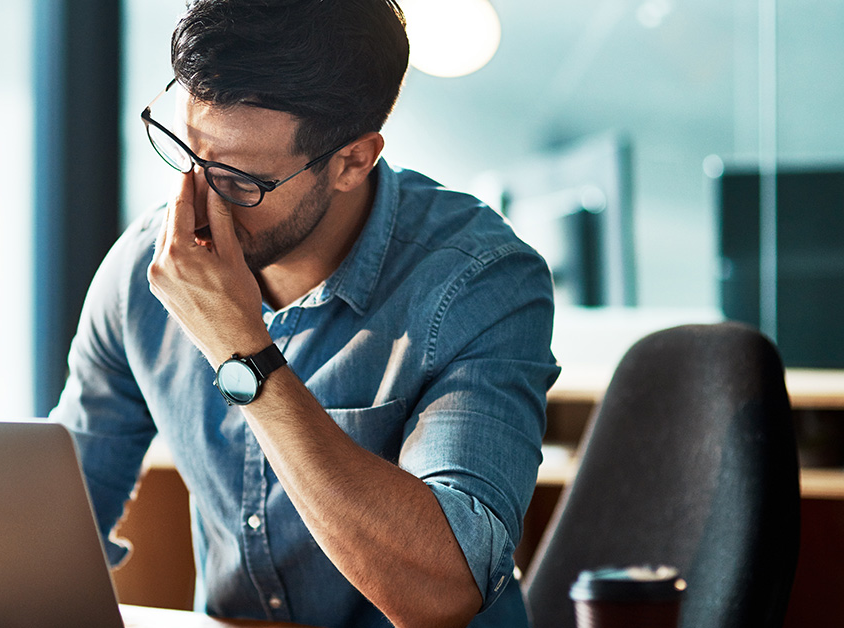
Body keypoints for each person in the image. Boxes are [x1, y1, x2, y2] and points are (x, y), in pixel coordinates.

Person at [49, 1, 560, 626]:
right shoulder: (146, 272)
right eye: (183, 151)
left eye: (237, 180)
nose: (196, 201)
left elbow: (443, 595)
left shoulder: (479, 281)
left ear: (352, 161)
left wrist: (242, 352)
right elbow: (59, 516)